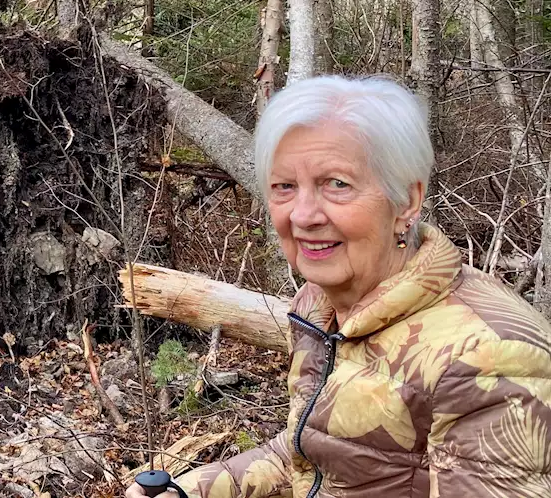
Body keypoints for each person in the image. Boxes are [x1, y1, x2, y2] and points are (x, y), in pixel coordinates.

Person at [125, 75, 551, 498]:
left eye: (337, 184)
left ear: (407, 201)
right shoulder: (321, 303)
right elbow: (309, 454)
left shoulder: (491, 358)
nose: (304, 215)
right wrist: (187, 491)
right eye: (284, 187)